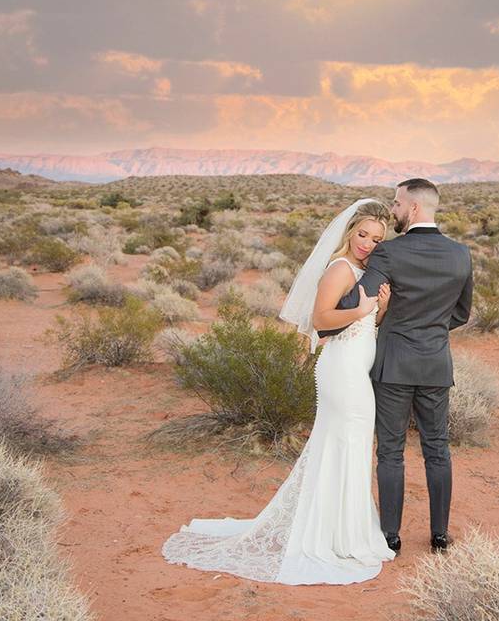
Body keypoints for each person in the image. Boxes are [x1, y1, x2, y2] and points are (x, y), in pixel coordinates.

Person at [161, 199, 397, 585]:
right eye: (362, 235)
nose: (367, 244)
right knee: (344, 443)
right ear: (349, 233)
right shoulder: (340, 269)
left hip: (357, 370)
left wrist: (380, 309)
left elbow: (365, 326)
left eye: (376, 239)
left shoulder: (364, 272)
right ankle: (331, 536)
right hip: (341, 372)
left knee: (350, 446)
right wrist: (360, 310)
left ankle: (343, 530)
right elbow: (321, 321)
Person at [318, 178, 473, 555]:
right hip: (436, 362)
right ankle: (439, 536)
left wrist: (384, 315)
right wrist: (431, 330)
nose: (395, 210)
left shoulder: (389, 253)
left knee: (390, 450)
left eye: (398, 204)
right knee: (438, 449)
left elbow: (360, 298)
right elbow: (462, 313)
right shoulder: (461, 254)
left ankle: (390, 536)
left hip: (393, 367)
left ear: (414, 208)